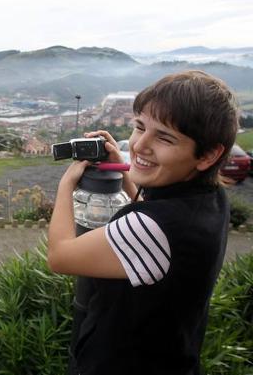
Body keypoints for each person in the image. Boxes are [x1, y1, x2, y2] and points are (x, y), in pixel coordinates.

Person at [47, 70, 239, 375]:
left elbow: (60, 255)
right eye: (140, 127)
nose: (138, 145)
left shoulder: (154, 228)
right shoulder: (210, 199)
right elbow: (154, 220)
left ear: (208, 154)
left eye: (164, 137)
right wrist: (128, 173)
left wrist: (66, 185)